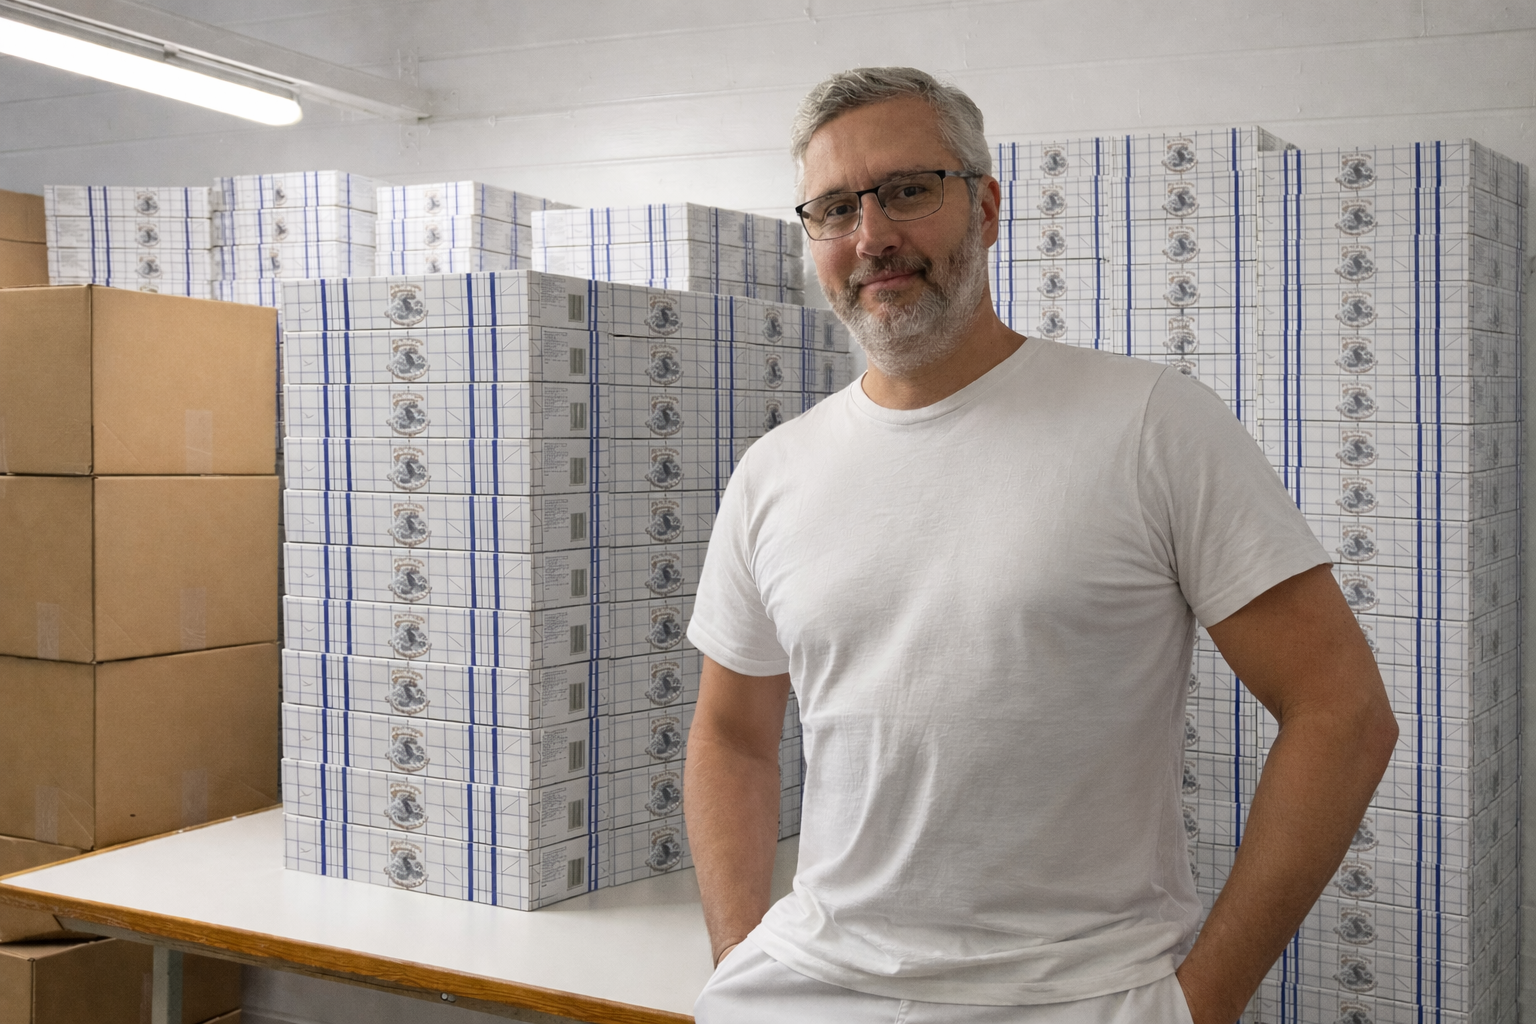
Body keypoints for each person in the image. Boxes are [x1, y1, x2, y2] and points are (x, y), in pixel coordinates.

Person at [683, 67, 1398, 1024]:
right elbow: (732, 735)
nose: (872, 235)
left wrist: (1203, 1001)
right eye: (835, 208)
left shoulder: (1153, 424)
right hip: (808, 989)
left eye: (907, 190)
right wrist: (737, 957)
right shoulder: (774, 470)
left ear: (985, 208)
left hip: (1081, 995)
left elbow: (1342, 711)